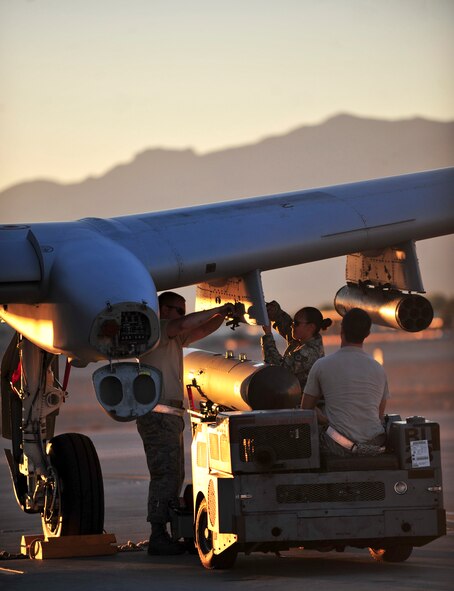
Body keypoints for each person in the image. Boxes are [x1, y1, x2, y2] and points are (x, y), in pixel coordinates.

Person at [137, 291, 235, 555]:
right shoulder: (156, 328)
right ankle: (157, 535)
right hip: (158, 416)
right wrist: (220, 308)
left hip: (168, 416)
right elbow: (184, 324)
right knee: (164, 475)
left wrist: (223, 314)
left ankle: (166, 532)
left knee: (174, 474)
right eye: (178, 309)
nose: (182, 314)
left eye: (184, 310)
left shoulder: (172, 338)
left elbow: (202, 328)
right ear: (163, 309)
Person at [302, 308, 390, 457]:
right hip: (374, 445)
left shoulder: (322, 365)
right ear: (367, 334)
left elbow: (306, 410)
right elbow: (379, 415)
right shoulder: (379, 369)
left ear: (341, 330)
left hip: (337, 446)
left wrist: (324, 419)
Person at [261, 301, 332, 397]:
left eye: (296, 323)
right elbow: (286, 326)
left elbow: (278, 368)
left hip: (300, 405)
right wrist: (275, 312)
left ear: (310, 327)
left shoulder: (309, 352)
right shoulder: (302, 339)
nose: (292, 326)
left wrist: (268, 334)